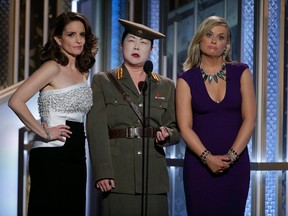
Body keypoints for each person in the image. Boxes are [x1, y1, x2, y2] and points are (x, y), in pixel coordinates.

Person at [86, 19, 180, 216]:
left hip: (154, 177)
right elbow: (96, 130)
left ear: (151, 50)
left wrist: (168, 134)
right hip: (118, 175)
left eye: (144, 43)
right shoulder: (103, 81)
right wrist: (103, 172)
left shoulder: (166, 85)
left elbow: (176, 127)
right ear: (121, 46)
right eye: (131, 41)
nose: (137, 46)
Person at [8, 12, 98, 216]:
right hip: (51, 153)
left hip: (76, 152)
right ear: (58, 39)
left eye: (82, 35)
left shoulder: (83, 71)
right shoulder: (52, 67)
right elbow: (16, 101)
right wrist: (44, 132)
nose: (78, 40)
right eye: (71, 34)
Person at [176, 16, 256, 216]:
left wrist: (231, 157)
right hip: (199, 166)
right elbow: (185, 127)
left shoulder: (241, 72)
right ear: (200, 39)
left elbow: (250, 119)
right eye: (209, 35)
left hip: (236, 165)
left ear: (226, 45)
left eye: (221, 37)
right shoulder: (186, 79)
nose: (214, 41)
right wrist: (207, 158)